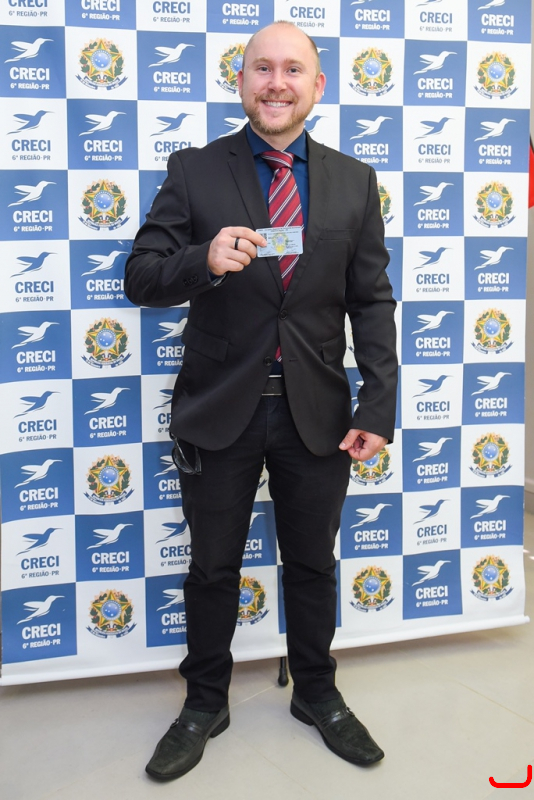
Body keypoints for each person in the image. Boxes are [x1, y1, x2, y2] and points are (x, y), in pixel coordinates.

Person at [124, 20, 397, 781]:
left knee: (312, 563)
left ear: (318, 85)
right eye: (262, 69)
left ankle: (317, 692)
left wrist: (378, 406)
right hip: (220, 408)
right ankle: (205, 702)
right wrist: (202, 259)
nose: (277, 83)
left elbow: (372, 301)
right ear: (241, 81)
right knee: (213, 567)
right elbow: (140, 277)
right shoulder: (194, 170)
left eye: (293, 70)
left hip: (319, 412)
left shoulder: (353, 180)